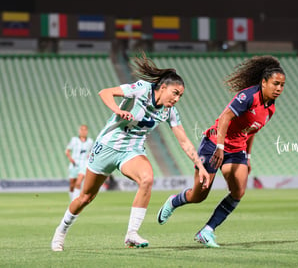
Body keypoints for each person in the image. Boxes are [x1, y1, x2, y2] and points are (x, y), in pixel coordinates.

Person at [51, 53, 211, 251]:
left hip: (131, 150)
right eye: (175, 93)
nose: (177, 99)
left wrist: (200, 166)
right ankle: (61, 231)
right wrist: (117, 111)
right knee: (86, 197)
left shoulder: (169, 112)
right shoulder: (141, 89)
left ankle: (131, 234)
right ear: (163, 87)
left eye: (180, 96)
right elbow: (105, 92)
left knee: (147, 179)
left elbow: (184, 141)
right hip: (107, 146)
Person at [157, 55, 286, 248]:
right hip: (213, 144)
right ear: (264, 82)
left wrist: (248, 157)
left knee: (239, 190)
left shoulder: (270, 109)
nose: (279, 88)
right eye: (275, 84)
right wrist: (219, 147)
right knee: (199, 195)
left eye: (282, 85)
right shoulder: (248, 96)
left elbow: (251, 132)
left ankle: (207, 230)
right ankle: (174, 201)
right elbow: (225, 117)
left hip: (237, 150)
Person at [65, 124, 94, 201]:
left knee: (78, 183)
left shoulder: (90, 141)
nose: (83, 131)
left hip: (84, 163)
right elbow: (67, 151)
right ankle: (72, 199)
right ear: (79, 131)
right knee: (72, 184)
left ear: (87, 131)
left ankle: (74, 202)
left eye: (85, 130)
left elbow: (92, 152)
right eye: (82, 130)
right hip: (74, 163)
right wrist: (71, 159)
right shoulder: (74, 140)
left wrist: (90, 157)